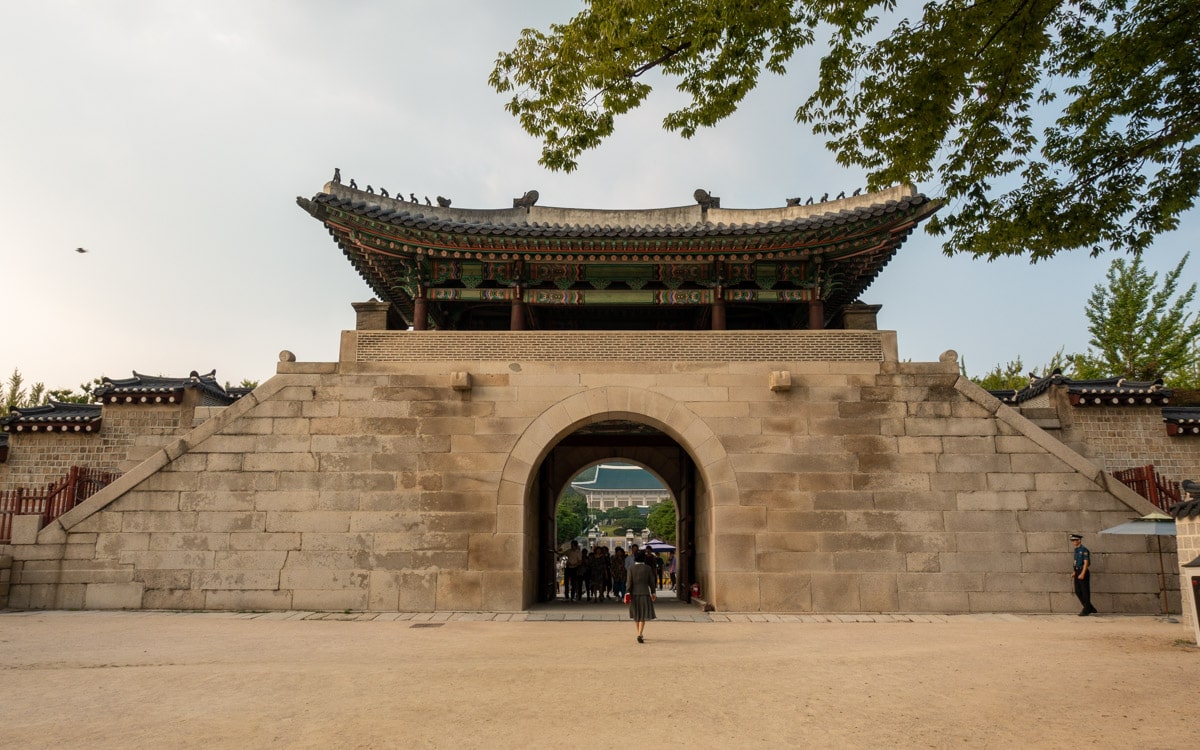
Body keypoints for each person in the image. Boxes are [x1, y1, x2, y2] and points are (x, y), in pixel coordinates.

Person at [625, 550, 657, 643]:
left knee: (636, 615)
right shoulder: (648, 568)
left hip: (634, 594)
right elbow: (651, 582)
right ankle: (640, 633)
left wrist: (627, 593)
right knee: (643, 615)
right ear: (644, 558)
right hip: (645, 593)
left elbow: (629, 582)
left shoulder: (631, 568)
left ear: (635, 558)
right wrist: (653, 593)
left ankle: (639, 633)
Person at [1070, 534, 1097, 616]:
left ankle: (1086, 609)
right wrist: (1075, 571)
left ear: (1079, 540)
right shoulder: (1076, 550)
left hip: (1083, 571)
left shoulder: (1084, 550)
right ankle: (1089, 607)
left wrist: (1082, 573)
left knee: (1085, 591)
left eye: (1075, 540)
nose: (1073, 542)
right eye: (1072, 541)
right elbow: (1076, 562)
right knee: (1077, 591)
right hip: (1078, 571)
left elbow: (1086, 563)